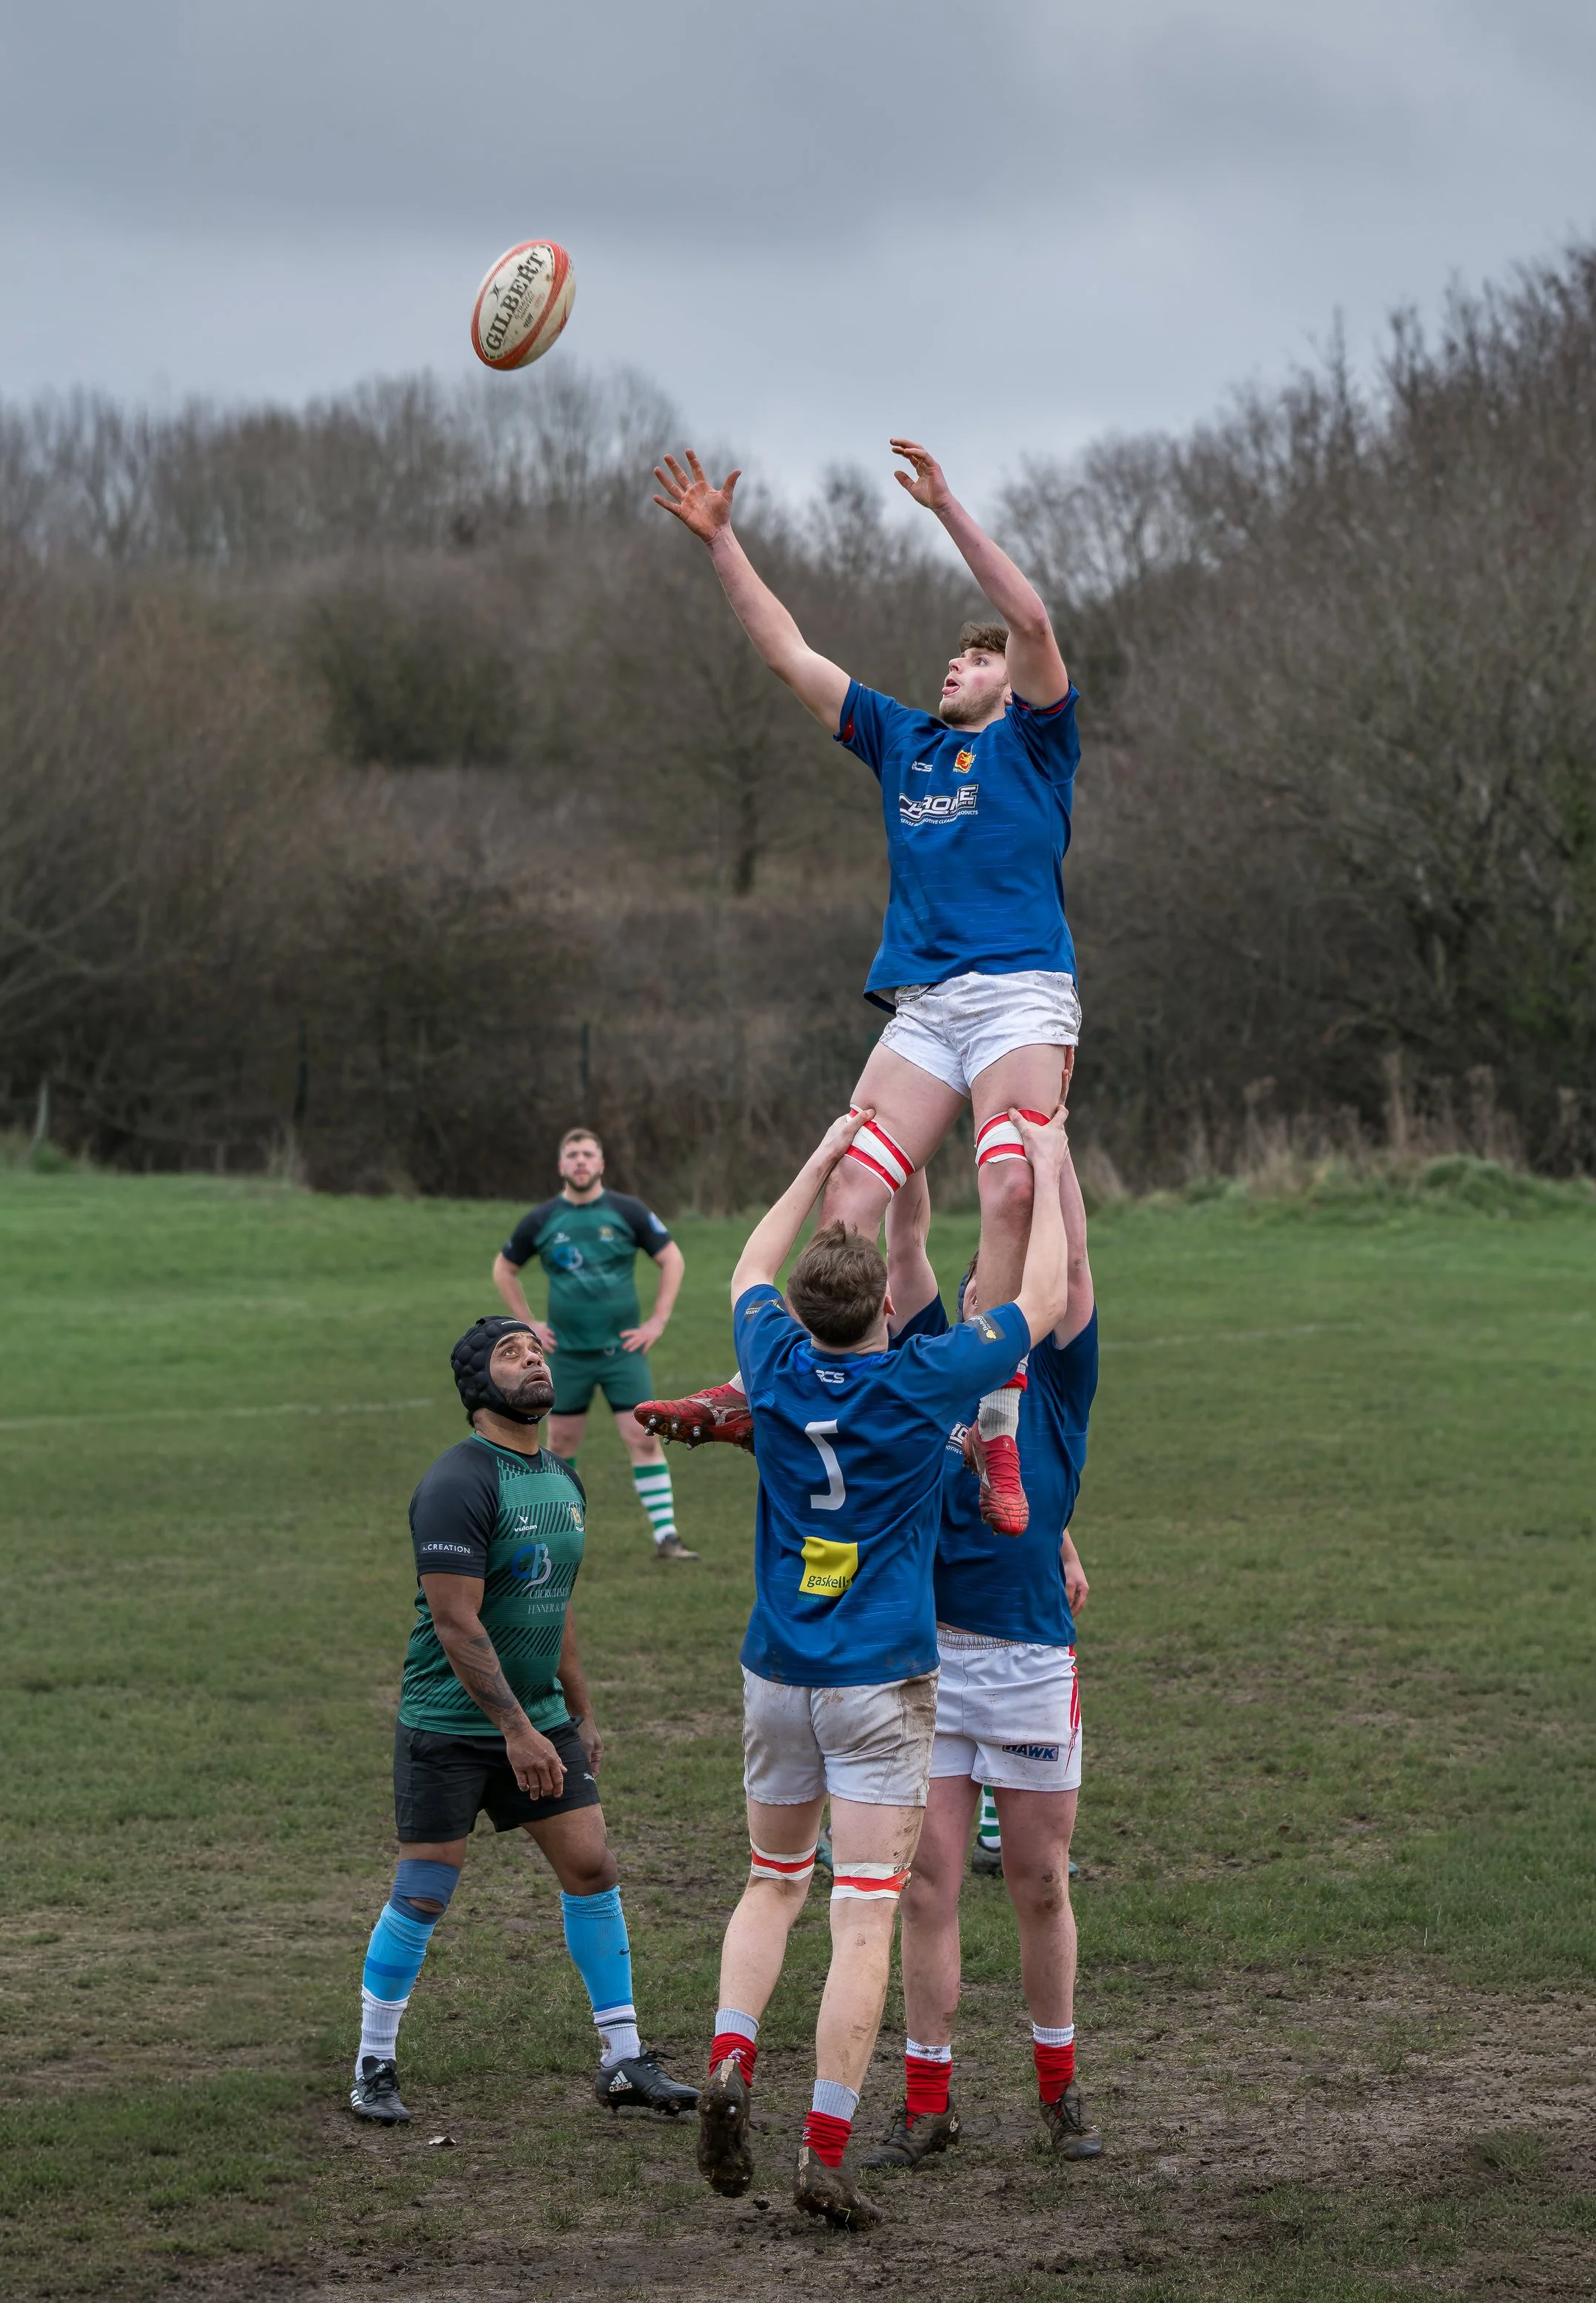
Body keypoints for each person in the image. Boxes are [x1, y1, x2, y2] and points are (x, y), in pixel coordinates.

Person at [646, 437, 1082, 1528]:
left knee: (1014, 1189)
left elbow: (1031, 622)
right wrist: (722, 544)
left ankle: (992, 1433)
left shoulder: (1036, 746)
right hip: (929, 1010)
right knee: (849, 1193)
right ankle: (782, 1393)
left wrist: (946, 509)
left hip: (1022, 994)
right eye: (954, 659)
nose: (959, 667)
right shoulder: (903, 744)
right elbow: (789, 653)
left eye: (975, 663)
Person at [696, 1102, 1071, 2231]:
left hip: (777, 1670)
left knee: (772, 1882)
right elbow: (1041, 1301)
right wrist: (1046, 1170)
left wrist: (828, 1152)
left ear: (803, 1311)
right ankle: (822, 2150)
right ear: (881, 1316)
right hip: (882, 1685)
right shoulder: (922, 1382)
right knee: (864, 1916)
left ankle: (726, 2061)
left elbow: (750, 1262)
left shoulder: (768, 1356)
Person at [349, 1316, 699, 2127]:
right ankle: (373, 2059)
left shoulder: (563, 1479)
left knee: (591, 1867)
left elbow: (558, 1605)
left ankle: (621, 2058)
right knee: (427, 1887)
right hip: (449, 1720)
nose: (534, 1358)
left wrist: (576, 1710)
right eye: (511, 1353)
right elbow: (455, 1622)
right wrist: (514, 1729)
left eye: (536, 1349)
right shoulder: (458, 1480)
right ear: (478, 1386)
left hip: (539, 1718)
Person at [858, 1147, 1103, 2175]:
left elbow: (1073, 1259)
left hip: (1034, 1661)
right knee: (927, 1887)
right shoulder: (931, 1358)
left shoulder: (1053, 1371)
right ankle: (928, 2104)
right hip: (933, 1662)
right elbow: (903, 1241)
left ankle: (1061, 2095)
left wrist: (1046, 1142)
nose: (985, 1290)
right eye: (973, 1286)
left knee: (1041, 1880)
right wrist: (900, 1143)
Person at [494, 1128, 695, 1559]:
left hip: (623, 1354)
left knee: (643, 1438)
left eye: (588, 1154)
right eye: (572, 1155)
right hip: (565, 1356)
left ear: (601, 1164)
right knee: (560, 1443)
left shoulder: (628, 1211)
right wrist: (528, 1324)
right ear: (561, 1166)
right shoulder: (542, 1219)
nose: (581, 1161)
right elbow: (504, 1269)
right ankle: (555, 1533)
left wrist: (658, 1321)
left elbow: (672, 1258)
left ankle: (667, 1537)